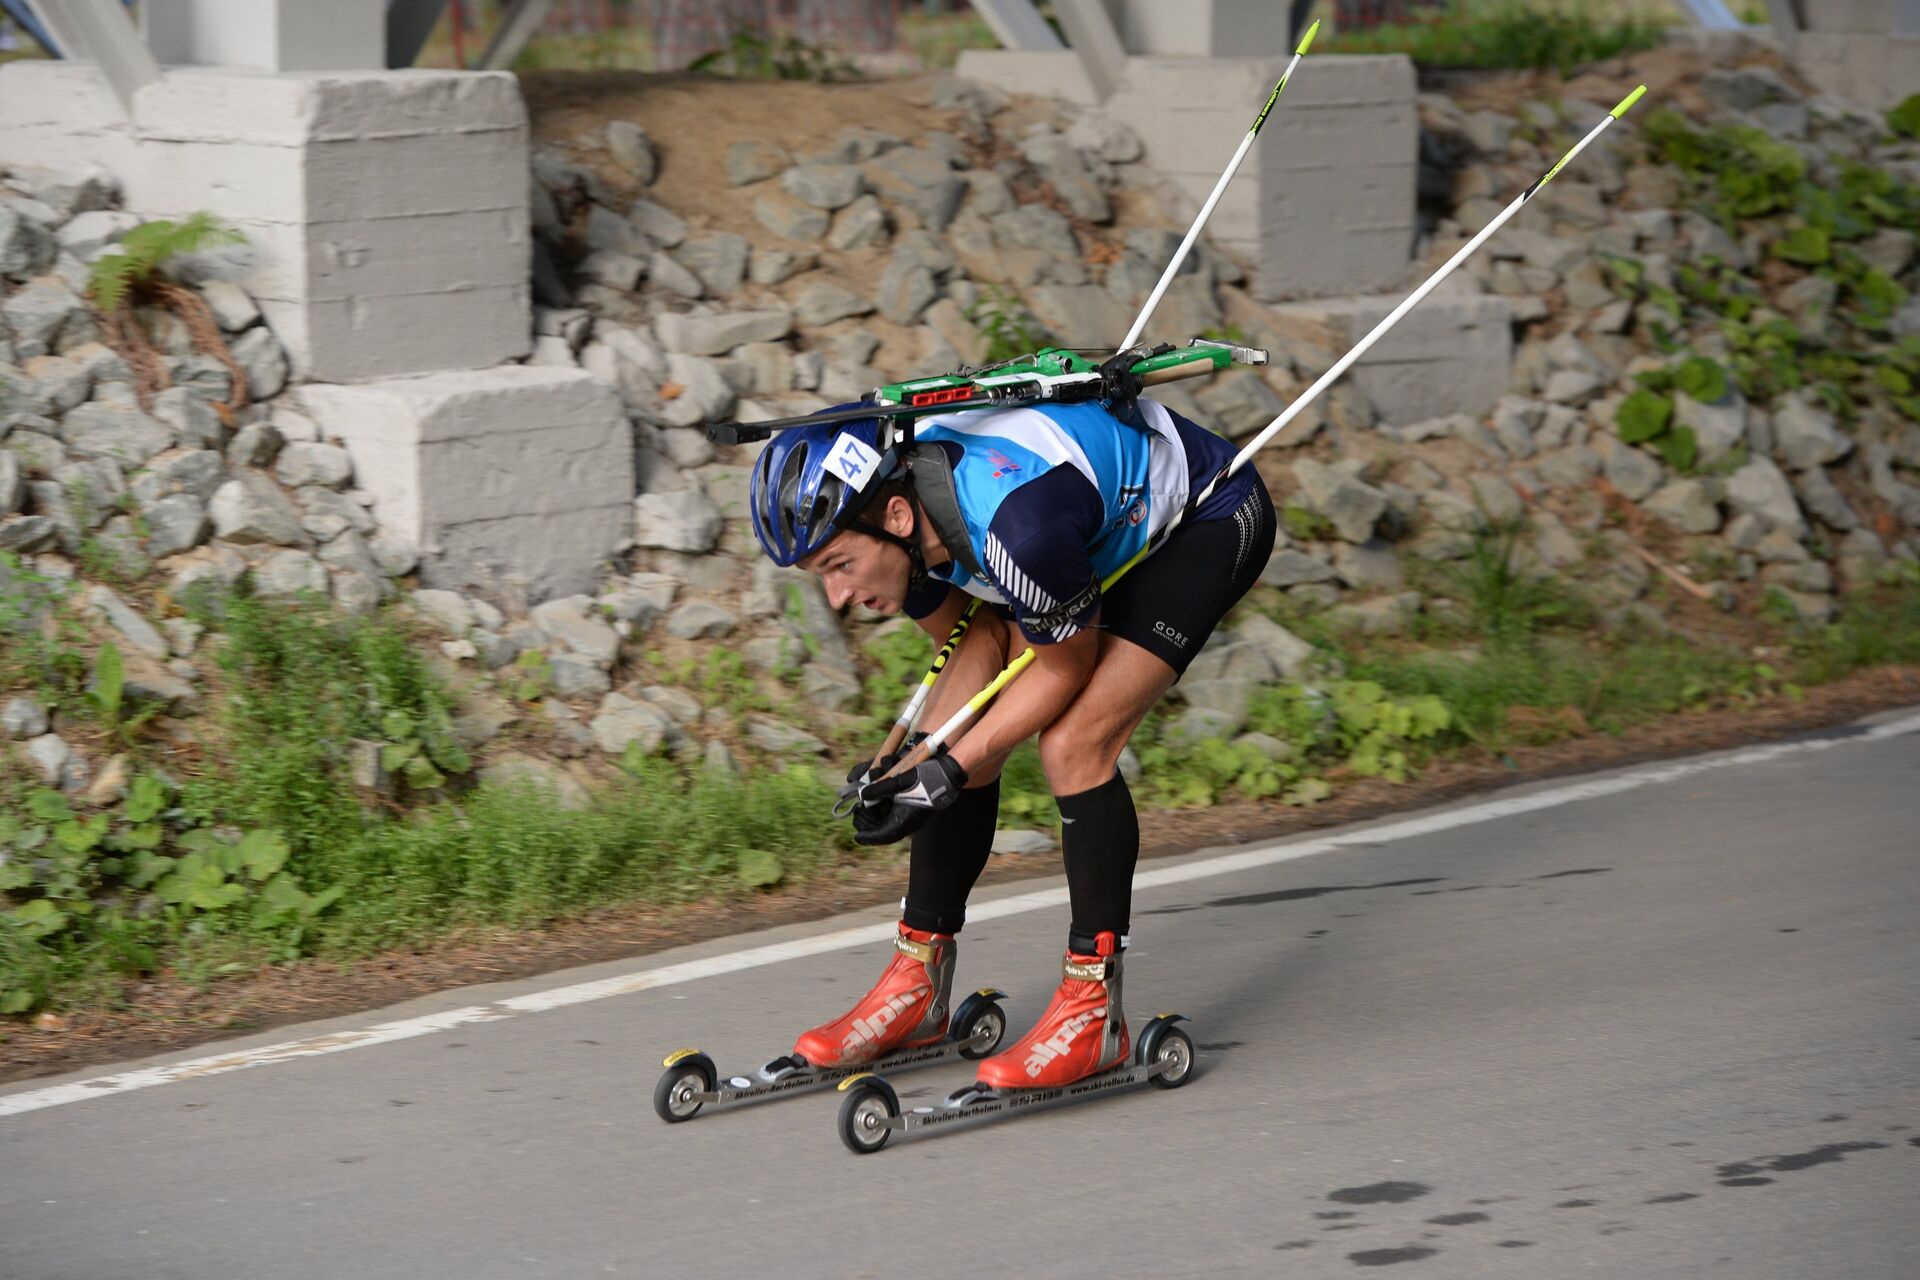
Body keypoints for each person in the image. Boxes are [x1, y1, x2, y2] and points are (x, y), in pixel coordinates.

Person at [748, 390, 1275, 1091]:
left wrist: (944, 768)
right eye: (823, 577)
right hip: (1084, 530)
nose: (837, 598)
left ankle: (1093, 1015)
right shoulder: (897, 520)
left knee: (1073, 746)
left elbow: (1063, 668)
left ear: (896, 517)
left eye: (839, 567)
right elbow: (980, 646)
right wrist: (912, 762)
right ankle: (917, 987)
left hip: (1202, 519)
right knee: (959, 749)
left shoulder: (1012, 530)